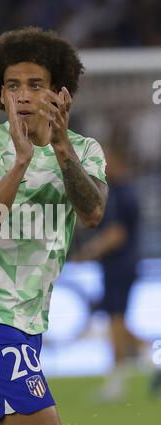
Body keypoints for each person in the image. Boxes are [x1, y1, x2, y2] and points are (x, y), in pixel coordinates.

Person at [0, 26, 108, 425]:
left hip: (29, 326)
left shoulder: (84, 151)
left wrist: (60, 147)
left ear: (60, 94)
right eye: (12, 85)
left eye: (35, 84)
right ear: (0, 95)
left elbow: (91, 213)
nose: (22, 95)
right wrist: (20, 162)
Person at [73, 145, 142, 401]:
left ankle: (116, 384)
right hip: (118, 267)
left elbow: (116, 235)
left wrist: (88, 253)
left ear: (118, 160)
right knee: (119, 323)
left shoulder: (123, 194)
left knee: (116, 322)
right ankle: (149, 356)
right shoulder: (117, 192)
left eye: (106, 159)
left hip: (120, 267)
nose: (102, 165)